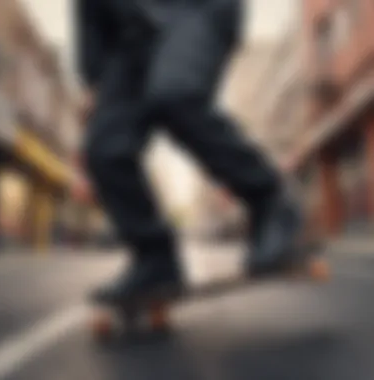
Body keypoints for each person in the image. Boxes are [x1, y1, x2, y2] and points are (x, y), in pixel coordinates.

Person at [75, 0, 304, 304]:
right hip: (128, 40)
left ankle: (270, 201)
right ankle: (154, 259)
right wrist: (94, 82)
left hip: (195, 11)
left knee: (176, 95)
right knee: (104, 147)